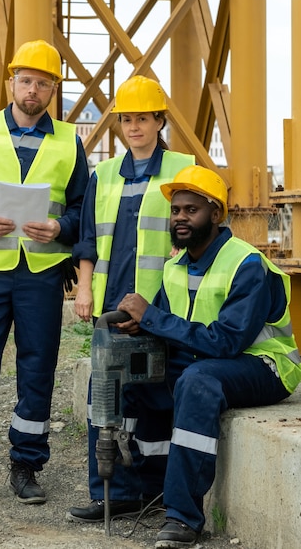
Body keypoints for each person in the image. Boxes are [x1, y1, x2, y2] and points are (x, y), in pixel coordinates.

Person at [113, 165, 301, 548]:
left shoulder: (246, 265)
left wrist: (152, 316)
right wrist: (142, 326)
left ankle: (183, 517)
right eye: (176, 210)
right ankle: (131, 493)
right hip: (209, 359)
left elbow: (227, 341)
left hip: (264, 366)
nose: (181, 217)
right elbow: (171, 325)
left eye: (191, 210)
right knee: (127, 369)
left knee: (197, 383)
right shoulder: (175, 267)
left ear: (216, 214)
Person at [0, 39, 89, 507]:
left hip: (42, 273)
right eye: (25, 80)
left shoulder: (69, 141)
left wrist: (61, 226)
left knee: (37, 369)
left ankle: (26, 465)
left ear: (52, 90)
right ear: (11, 82)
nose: (32, 90)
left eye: (42, 83)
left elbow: (82, 207)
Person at [67, 75, 195, 523]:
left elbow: (195, 239)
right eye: (127, 119)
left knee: (156, 398)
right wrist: (84, 289)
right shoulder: (102, 175)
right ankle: (114, 494)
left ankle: (155, 491)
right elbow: (87, 240)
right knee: (106, 399)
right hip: (112, 308)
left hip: (163, 308)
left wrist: (160, 311)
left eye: (143, 118)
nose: (134, 126)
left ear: (160, 120)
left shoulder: (183, 168)